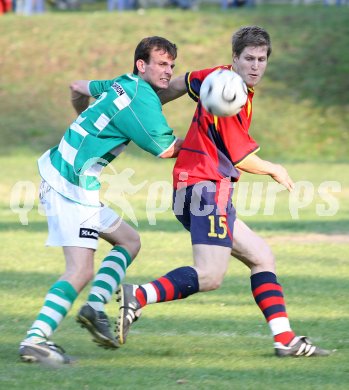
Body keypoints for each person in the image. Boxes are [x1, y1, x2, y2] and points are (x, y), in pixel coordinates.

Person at [116, 26, 330, 358]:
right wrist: (275, 168)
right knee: (211, 275)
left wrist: (146, 101)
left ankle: (284, 339)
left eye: (261, 59)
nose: (255, 66)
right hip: (204, 188)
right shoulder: (230, 97)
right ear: (235, 58)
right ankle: (138, 296)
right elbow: (242, 158)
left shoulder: (215, 77)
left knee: (261, 256)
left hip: (201, 186)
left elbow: (180, 82)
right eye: (248, 58)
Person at [19, 36, 183, 365]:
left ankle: (95, 308)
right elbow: (166, 149)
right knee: (79, 271)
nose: (167, 71)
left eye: (171, 66)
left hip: (64, 174)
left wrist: (84, 121)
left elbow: (77, 87)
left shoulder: (122, 83)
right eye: (161, 64)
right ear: (142, 64)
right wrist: (209, 143)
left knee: (129, 241)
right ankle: (35, 339)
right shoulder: (141, 98)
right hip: (71, 185)